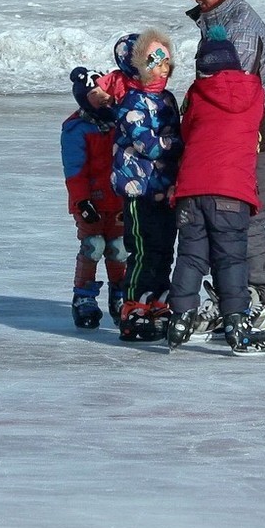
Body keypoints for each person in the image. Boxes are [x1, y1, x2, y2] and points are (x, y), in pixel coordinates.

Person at [183, 0, 265, 343]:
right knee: (221, 220)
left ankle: (262, 302)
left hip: (254, 142)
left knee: (245, 219)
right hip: (237, 142)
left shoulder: (240, 28)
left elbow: (231, 93)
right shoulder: (220, 20)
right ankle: (233, 300)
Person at [165, 27, 265, 356]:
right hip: (231, 195)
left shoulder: (197, 93)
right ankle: (236, 326)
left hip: (191, 192)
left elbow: (186, 130)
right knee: (230, 261)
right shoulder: (253, 92)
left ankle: (181, 317)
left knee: (191, 256)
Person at [96, 29, 184, 342]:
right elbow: (149, 144)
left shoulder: (168, 99)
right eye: (155, 63)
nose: (163, 69)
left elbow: (172, 136)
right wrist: (179, 143)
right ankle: (133, 305)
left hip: (163, 188)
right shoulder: (132, 102)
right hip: (138, 189)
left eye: (166, 63)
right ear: (138, 67)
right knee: (143, 249)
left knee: (163, 250)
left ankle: (158, 303)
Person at [61, 67, 127, 329]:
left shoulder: (121, 120)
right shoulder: (77, 128)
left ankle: (120, 295)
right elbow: (74, 170)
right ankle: (84, 297)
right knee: (93, 246)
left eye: (103, 90)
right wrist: (82, 201)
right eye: (93, 93)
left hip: (119, 199)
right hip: (90, 202)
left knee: (119, 249)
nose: (101, 96)